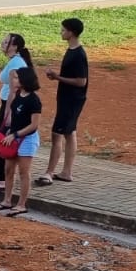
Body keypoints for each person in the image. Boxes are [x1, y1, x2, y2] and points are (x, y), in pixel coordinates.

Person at [39, 18, 89, 185]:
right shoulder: (72, 50)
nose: (61, 32)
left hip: (71, 99)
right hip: (69, 98)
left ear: (71, 32)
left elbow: (81, 81)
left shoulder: (78, 55)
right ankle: (66, 171)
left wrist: (57, 77)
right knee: (69, 132)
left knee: (57, 133)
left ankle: (49, 172)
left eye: (63, 30)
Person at [0, 33, 32, 197]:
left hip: (9, 105)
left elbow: (13, 90)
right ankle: (3, 177)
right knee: (1, 139)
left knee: (1, 140)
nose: (2, 43)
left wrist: (8, 113)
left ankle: (2, 180)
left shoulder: (16, 63)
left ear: (14, 46)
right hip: (7, 104)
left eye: (6, 42)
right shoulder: (15, 61)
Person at [0, 67, 43, 216]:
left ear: (24, 80)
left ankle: (22, 204)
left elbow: (34, 125)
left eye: (16, 78)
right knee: (8, 170)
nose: (13, 80)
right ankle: (7, 200)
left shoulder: (34, 100)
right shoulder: (17, 94)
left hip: (27, 139)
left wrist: (15, 134)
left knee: (24, 172)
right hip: (14, 136)